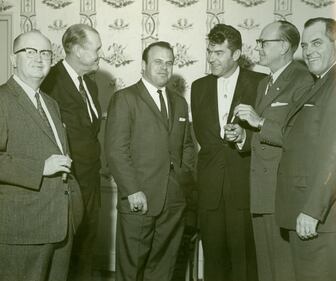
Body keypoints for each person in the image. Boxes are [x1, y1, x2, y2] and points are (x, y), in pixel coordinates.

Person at [231, 21, 314, 281]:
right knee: (266, 270)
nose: (258, 48)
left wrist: (259, 122)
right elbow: (263, 136)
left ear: (285, 47)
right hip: (262, 191)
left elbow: (302, 139)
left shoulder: (303, 80)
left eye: (264, 42)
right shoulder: (265, 83)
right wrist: (244, 135)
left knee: (284, 271)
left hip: (283, 192)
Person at [105, 41, 195, 281]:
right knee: (132, 267)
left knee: (164, 268)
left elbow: (187, 146)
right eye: (158, 61)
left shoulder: (180, 102)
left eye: (169, 62)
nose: (164, 67)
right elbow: (116, 150)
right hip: (139, 197)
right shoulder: (125, 98)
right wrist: (133, 190)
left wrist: (183, 181)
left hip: (174, 199)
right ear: (144, 65)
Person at [0, 30, 83, 281]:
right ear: (13, 59)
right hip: (22, 229)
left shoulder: (50, 102)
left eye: (45, 52)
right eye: (30, 51)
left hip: (60, 225)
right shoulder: (2, 99)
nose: (39, 58)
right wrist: (39, 168)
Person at [190, 23, 265, 281]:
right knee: (213, 261)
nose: (211, 58)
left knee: (245, 261)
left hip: (244, 187)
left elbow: (270, 133)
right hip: (210, 188)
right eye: (210, 51)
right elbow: (204, 140)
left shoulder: (260, 83)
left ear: (236, 54)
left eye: (219, 52)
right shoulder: (198, 87)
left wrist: (244, 137)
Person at [275, 17, 336, 281]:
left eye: (318, 43)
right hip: (304, 212)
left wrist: (313, 210)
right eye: (306, 44)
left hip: (320, 218)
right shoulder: (320, 82)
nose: (309, 50)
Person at [41, 24, 102, 280]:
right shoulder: (50, 81)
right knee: (64, 254)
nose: (101, 54)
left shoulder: (90, 85)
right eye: (96, 48)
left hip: (90, 179)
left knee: (87, 247)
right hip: (66, 181)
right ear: (76, 50)